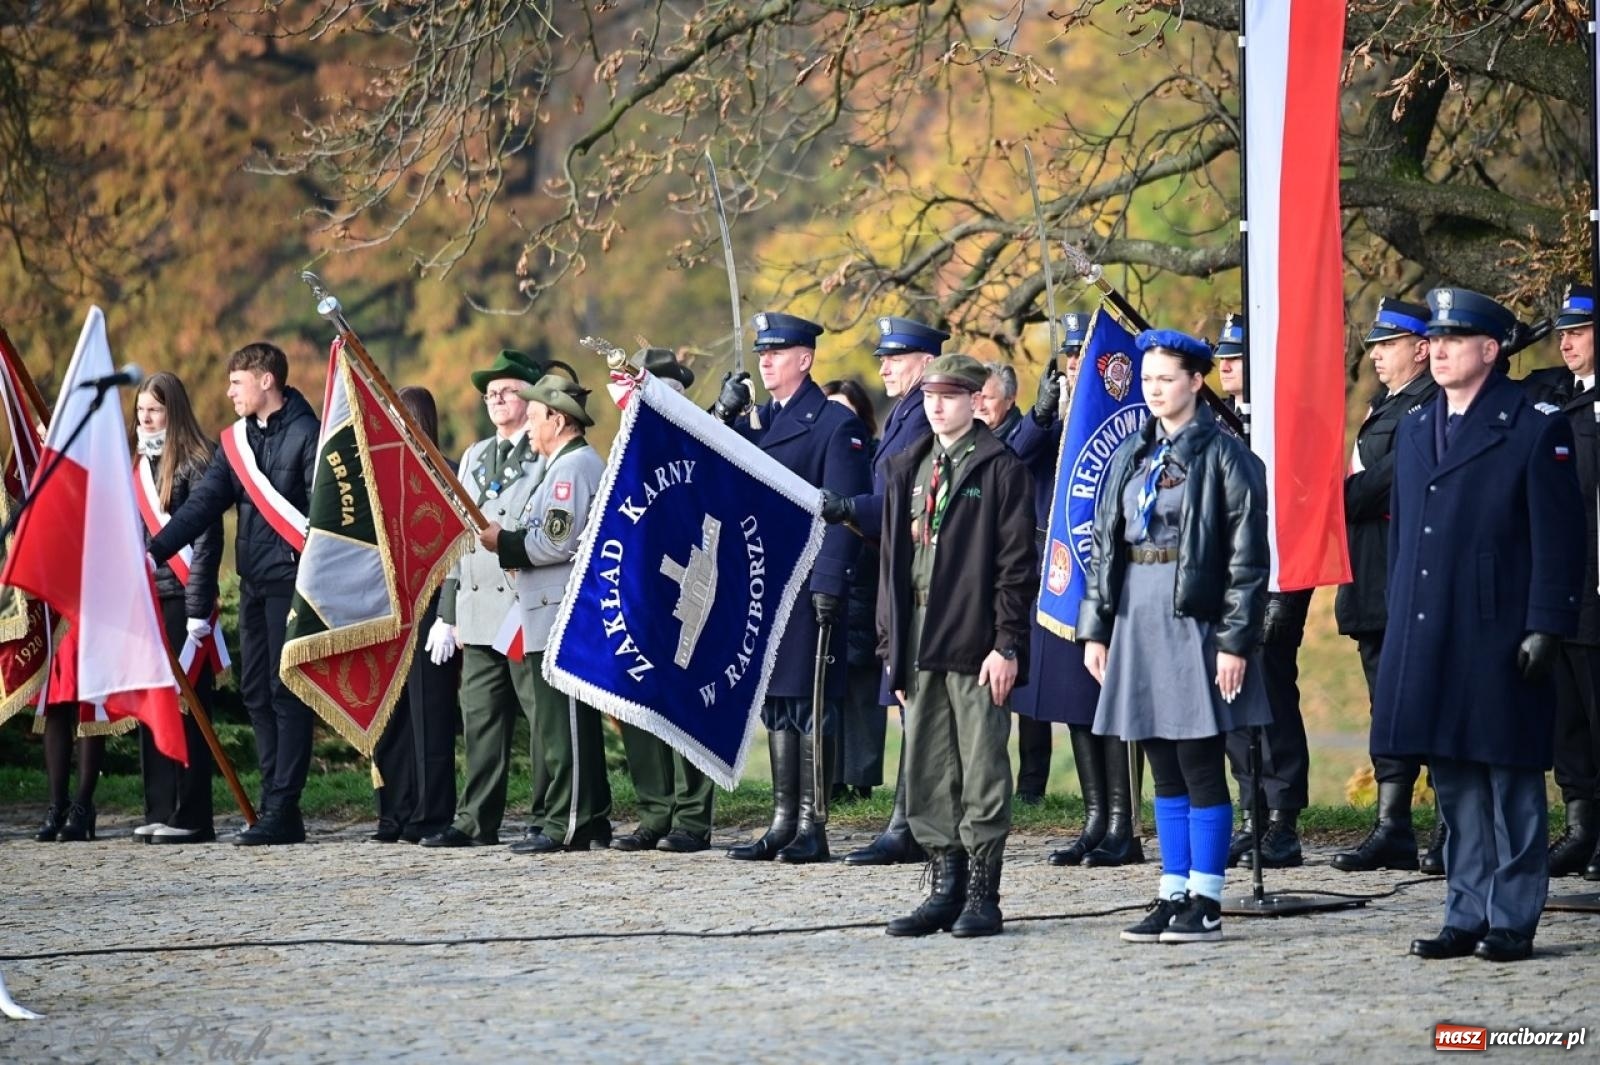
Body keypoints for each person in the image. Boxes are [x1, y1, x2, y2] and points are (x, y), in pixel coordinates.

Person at [1380, 287, 1582, 963]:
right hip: (1432, 625)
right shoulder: (1416, 426)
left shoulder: (1532, 425)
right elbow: (1406, 537)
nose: (1437, 351)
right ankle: (1464, 911)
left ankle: (1513, 917)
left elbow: (1560, 537)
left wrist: (1546, 623)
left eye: (1453, 340)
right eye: (1433, 340)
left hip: (1500, 627)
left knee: (1509, 776)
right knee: (1455, 777)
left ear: (1490, 350)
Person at [1078, 329, 1271, 946]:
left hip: (1194, 619)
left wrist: (1235, 641)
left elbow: (1248, 559)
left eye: (1166, 379)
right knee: (1161, 761)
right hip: (1137, 613)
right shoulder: (1131, 454)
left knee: (1198, 759)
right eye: (1147, 380)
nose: (1154, 390)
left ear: (1196, 382)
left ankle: (1207, 899)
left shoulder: (1228, 457)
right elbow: (1104, 546)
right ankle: (1173, 890)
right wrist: (1096, 629)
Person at [877, 354, 1035, 937]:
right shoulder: (908, 466)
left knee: (982, 765)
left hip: (975, 638)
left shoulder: (1000, 468)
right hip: (918, 635)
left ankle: (982, 895)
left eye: (949, 396)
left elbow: (1017, 567)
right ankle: (945, 888)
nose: (937, 407)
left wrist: (1007, 643)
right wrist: (891, 649)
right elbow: (891, 566)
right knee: (927, 765)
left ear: (974, 400)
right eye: (929, 397)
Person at [149, 342, 319, 846]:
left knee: (286, 693)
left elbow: (322, 519)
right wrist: (154, 551)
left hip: (292, 585)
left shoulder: (308, 434)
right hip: (253, 583)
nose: (229, 393)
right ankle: (274, 806)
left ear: (267, 380)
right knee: (256, 693)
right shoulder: (236, 441)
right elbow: (203, 504)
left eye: (236, 382)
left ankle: (283, 807)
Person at [721, 311, 870, 865]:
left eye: (777, 353)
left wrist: (830, 581)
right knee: (779, 704)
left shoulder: (834, 423)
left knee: (811, 702)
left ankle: (813, 824)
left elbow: (844, 513)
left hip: (809, 586)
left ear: (805, 360)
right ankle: (784, 820)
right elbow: (719, 467)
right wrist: (723, 414)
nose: (766, 362)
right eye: (762, 353)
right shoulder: (759, 420)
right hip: (767, 586)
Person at [1006, 314, 1141, 866]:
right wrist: (1040, 416)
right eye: (1069, 356)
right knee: (1072, 703)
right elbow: (1011, 460)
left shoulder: (1120, 416)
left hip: (1109, 574)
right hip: (1060, 575)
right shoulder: (1057, 420)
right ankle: (1095, 819)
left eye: (1085, 354)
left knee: (1107, 703)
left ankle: (1123, 824)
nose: (1075, 364)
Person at [820, 315, 947, 867]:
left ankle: (911, 824)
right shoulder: (905, 412)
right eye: (884, 360)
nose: (886, 368)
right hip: (895, 566)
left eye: (896, 359)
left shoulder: (921, 414)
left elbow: (904, 496)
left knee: (917, 699)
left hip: (919, 572)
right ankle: (906, 821)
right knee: (908, 698)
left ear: (926, 361)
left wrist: (851, 508)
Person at [420, 350, 549, 849]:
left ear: (530, 398)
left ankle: (546, 815)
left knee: (540, 718)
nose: (495, 399)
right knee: (480, 721)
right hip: (476, 609)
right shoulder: (474, 455)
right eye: (489, 393)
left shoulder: (545, 451)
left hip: (521, 605)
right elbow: (459, 533)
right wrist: (447, 611)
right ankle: (475, 820)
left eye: (506, 391)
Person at [481, 373, 614, 852]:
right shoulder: (563, 465)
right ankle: (589, 817)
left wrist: (504, 543)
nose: (530, 427)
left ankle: (567, 822)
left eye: (535, 417)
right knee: (563, 725)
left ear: (557, 420)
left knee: (565, 727)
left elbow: (556, 541)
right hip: (548, 608)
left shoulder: (571, 470)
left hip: (560, 613)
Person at [1332, 297, 1441, 874]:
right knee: (1388, 707)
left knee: (1429, 698)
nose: (1376, 354)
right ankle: (1392, 824)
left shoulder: (1432, 404)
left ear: (1421, 349)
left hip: (1408, 576)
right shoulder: (1389, 405)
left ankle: (1448, 826)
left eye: (1389, 344)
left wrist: (1341, 497)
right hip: (1373, 578)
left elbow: (1381, 485)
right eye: (1375, 344)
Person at [1210, 314, 1313, 870]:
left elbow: (1303, 508)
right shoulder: (1212, 422)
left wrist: (1287, 593)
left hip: (1276, 577)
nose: (1225, 365)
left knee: (1272, 697)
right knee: (1233, 700)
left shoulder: (1287, 422)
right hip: (1224, 581)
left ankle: (1283, 820)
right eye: (1222, 356)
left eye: (1237, 356)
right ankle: (1251, 813)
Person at [610, 349, 717, 854]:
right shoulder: (624, 449)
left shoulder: (699, 444)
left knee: (685, 699)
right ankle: (654, 811)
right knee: (640, 703)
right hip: (637, 594)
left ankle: (692, 818)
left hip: (686, 592)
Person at [1521, 284, 1600, 879]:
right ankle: (1580, 827)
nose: (1566, 343)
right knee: (1567, 715)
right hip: (1558, 582)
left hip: (1596, 579)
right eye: (1562, 333)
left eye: (1578, 331)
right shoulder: (1554, 394)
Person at [132, 372, 222, 844]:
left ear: (174, 411)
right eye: (140, 410)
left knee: (188, 707)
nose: (145, 418)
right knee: (153, 705)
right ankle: (160, 807)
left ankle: (192, 815)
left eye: (154, 410)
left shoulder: (197, 460)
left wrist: (197, 609)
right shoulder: (137, 464)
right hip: (148, 598)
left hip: (183, 598)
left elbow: (206, 540)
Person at [369, 386, 460, 844]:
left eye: (397, 414)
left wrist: (448, 614)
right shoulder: (378, 476)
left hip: (430, 607)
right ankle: (394, 812)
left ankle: (432, 814)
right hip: (388, 608)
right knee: (390, 715)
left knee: (430, 715)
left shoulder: (449, 475)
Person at [821, 377, 884, 804]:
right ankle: (830, 776)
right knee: (829, 680)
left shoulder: (875, 456)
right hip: (829, 572)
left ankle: (860, 777)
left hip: (866, 571)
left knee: (862, 680)